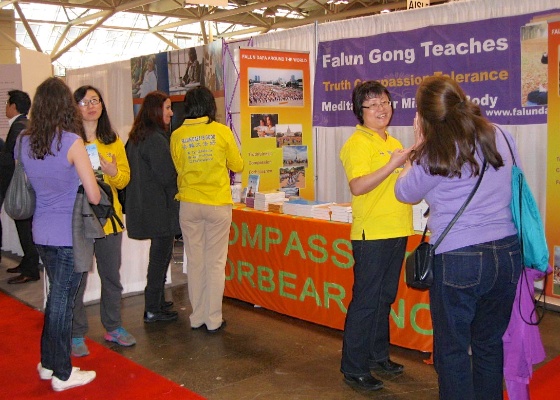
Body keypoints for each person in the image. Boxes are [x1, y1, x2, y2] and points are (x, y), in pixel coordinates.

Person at [394, 76, 522, 400]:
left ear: (424, 116)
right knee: (489, 345)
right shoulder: (502, 134)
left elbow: (403, 191)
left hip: (458, 258)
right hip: (507, 252)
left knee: (452, 353)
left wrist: (419, 142)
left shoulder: (433, 149)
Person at [20, 77, 100, 391]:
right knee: (62, 303)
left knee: (56, 298)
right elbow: (93, 196)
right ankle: (62, 374)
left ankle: (49, 363)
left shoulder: (25, 141)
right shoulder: (71, 142)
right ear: (66, 106)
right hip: (68, 234)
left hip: (41, 231)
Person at [339, 80, 413, 391]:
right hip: (372, 234)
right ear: (361, 112)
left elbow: (402, 189)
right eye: (373, 105)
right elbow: (358, 186)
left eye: (384, 102)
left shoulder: (393, 141)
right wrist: (393, 164)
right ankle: (353, 367)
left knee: (384, 299)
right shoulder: (358, 143)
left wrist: (410, 167)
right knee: (367, 302)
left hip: (397, 229)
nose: (381, 109)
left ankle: (377, 355)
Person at [170, 86, 243, 333]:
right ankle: (213, 319)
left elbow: (178, 167)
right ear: (210, 105)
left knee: (197, 262)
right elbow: (238, 164)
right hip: (217, 204)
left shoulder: (177, 135)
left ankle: (197, 316)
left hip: (189, 204)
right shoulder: (221, 132)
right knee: (215, 263)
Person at [70, 85, 135, 356]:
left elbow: (125, 179)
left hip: (109, 219)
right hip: (79, 220)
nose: (91, 106)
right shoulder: (69, 140)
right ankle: (75, 333)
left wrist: (112, 172)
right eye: (84, 102)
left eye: (95, 100)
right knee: (78, 278)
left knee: (112, 276)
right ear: (74, 107)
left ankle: (113, 326)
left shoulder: (112, 140)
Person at [125, 90, 181, 323]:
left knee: (159, 256)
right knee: (160, 258)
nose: (171, 113)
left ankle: (157, 300)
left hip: (144, 207)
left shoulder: (137, 137)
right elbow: (167, 176)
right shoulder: (156, 139)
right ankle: (152, 307)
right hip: (159, 209)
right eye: (167, 108)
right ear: (157, 111)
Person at [1, 90, 41, 283]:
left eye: (7, 104)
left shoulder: (19, 127)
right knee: (23, 226)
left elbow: (11, 161)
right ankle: (27, 262)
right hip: (22, 186)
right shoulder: (23, 124)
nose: (5, 107)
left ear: (13, 106)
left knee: (25, 227)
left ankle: (31, 269)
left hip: (20, 188)